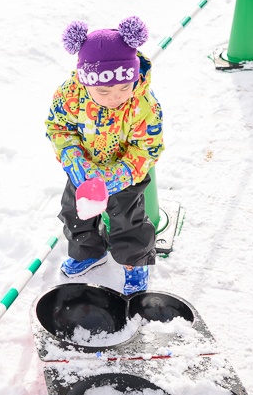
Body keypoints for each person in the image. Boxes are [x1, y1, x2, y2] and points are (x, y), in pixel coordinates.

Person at [45, 16, 165, 295]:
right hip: (84, 170)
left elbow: (148, 146)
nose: (115, 97)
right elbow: (58, 127)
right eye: (103, 91)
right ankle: (87, 252)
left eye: (125, 87)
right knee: (75, 214)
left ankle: (134, 263)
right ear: (86, 83)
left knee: (128, 220)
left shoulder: (143, 104)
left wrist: (119, 176)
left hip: (125, 174)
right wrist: (74, 159)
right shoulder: (69, 95)